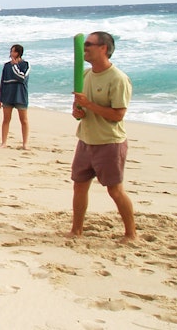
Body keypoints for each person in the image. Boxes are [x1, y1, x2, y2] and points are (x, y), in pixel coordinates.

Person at [69, 31, 136, 243]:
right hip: (86, 140)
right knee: (79, 185)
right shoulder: (85, 75)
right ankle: (76, 230)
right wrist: (78, 111)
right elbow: (79, 111)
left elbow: (118, 115)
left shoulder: (118, 78)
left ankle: (131, 234)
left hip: (109, 142)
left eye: (89, 44)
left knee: (114, 190)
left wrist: (89, 105)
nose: (84, 48)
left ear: (103, 48)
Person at [0, 44, 31, 149]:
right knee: (6, 119)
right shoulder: (6, 66)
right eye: (11, 51)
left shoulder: (25, 64)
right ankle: (3, 142)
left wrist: (14, 66)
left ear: (19, 53)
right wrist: (0, 97)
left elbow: (22, 78)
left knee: (23, 120)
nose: (11, 53)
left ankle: (25, 144)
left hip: (20, 95)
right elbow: (2, 82)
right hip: (8, 95)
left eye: (14, 51)